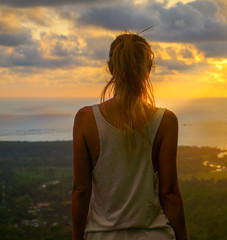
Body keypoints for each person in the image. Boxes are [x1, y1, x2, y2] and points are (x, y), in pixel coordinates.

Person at [72, 31, 188, 240]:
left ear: (110, 68)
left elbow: (81, 190)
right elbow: (169, 193)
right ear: (149, 70)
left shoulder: (85, 118)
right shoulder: (166, 120)